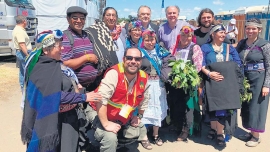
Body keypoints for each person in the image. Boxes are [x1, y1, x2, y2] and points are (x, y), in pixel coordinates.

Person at [20, 30, 102, 152]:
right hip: (51, 119)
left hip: (65, 119)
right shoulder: (43, 69)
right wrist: (84, 97)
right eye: (58, 45)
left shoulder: (53, 64)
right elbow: (54, 96)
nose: (63, 48)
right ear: (46, 50)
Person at [91, 47, 150, 152]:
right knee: (110, 138)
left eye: (137, 59)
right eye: (129, 58)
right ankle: (94, 140)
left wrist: (139, 116)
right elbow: (100, 99)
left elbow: (145, 99)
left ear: (141, 62)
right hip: (98, 110)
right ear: (124, 59)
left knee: (139, 128)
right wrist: (106, 124)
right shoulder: (114, 73)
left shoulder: (143, 77)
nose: (133, 62)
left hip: (121, 115)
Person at [200, 24, 242, 147]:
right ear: (212, 34)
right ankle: (213, 128)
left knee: (223, 109)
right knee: (212, 107)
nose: (223, 34)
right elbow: (200, 63)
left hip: (226, 83)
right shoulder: (205, 48)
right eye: (220, 32)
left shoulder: (229, 48)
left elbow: (237, 63)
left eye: (224, 32)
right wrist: (209, 73)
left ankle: (219, 133)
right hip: (210, 81)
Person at [236, 18, 270, 147]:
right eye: (248, 28)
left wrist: (267, 85)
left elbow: (269, 65)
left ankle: (256, 136)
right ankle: (250, 132)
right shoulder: (242, 43)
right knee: (247, 106)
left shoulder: (264, 45)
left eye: (254, 28)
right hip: (245, 79)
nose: (250, 31)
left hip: (259, 79)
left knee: (257, 107)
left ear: (259, 30)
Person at [168, 26, 203, 142]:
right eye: (183, 35)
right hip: (176, 81)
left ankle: (186, 129)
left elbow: (197, 66)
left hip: (188, 82)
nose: (185, 38)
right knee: (176, 104)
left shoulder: (195, 47)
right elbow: (169, 61)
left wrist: (186, 76)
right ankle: (176, 124)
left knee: (188, 107)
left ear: (191, 36)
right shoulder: (174, 47)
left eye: (188, 36)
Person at [138, 29, 171, 146]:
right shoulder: (139, 53)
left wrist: (166, 72)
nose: (150, 42)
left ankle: (156, 134)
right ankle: (144, 136)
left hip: (159, 84)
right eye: (147, 40)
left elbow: (170, 60)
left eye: (152, 40)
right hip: (145, 85)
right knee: (144, 109)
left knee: (158, 109)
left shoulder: (160, 50)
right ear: (143, 41)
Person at [61, 6, 99, 92]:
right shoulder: (66, 37)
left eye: (82, 18)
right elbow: (65, 64)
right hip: (77, 88)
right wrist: (87, 58)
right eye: (75, 18)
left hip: (94, 86)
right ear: (68, 19)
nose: (79, 21)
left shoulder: (88, 35)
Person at [12, 15, 32, 91]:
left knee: (22, 71)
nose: (26, 22)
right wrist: (28, 55)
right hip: (23, 53)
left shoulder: (18, 29)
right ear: (24, 21)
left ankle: (23, 87)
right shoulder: (19, 31)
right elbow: (22, 44)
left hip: (21, 52)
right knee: (27, 71)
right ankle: (26, 89)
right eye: (26, 21)